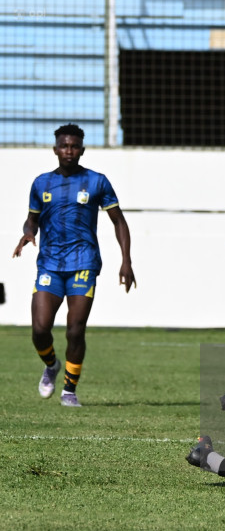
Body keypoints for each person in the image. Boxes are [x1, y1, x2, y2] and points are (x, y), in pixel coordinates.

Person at [13, 123, 136, 407]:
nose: (69, 151)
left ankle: (69, 390)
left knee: (75, 329)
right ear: (55, 149)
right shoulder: (41, 183)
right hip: (50, 265)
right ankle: (52, 365)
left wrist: (126, 261)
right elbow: (32, 218)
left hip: (84, 263)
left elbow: (119, 221)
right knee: (40, 329)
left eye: (74, 146)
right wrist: (29, 231)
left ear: (82, 149)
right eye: (64, 146)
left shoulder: (97, 181)